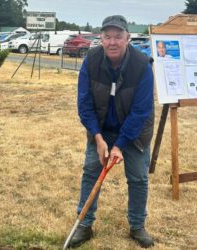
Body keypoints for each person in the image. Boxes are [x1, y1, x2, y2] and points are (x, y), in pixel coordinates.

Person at [68, 15, 155, 248]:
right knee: (90, 173)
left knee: (138, 178)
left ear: (128, 38)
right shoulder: (91, 60)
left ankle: (137, 226)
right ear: (101, 39)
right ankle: (84, 225)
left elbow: (141, 111)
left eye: (118, 36)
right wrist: (97, 138)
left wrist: (120, 145)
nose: (112, 42)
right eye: (107, 37)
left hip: (135, 133)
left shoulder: (142, 65)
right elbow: (84, 104)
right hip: (101, 129)